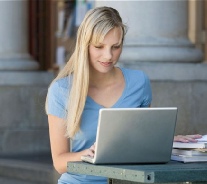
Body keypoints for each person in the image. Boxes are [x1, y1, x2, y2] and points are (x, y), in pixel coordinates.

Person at [45, 6, 202, 184]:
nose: (108, 56)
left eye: (116, 47)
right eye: (99, 46)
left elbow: (140, 143)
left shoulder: (139, 82)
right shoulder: (62, 90)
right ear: (84, 45)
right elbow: (59, 161)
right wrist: (88, 154)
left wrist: (168, 142)